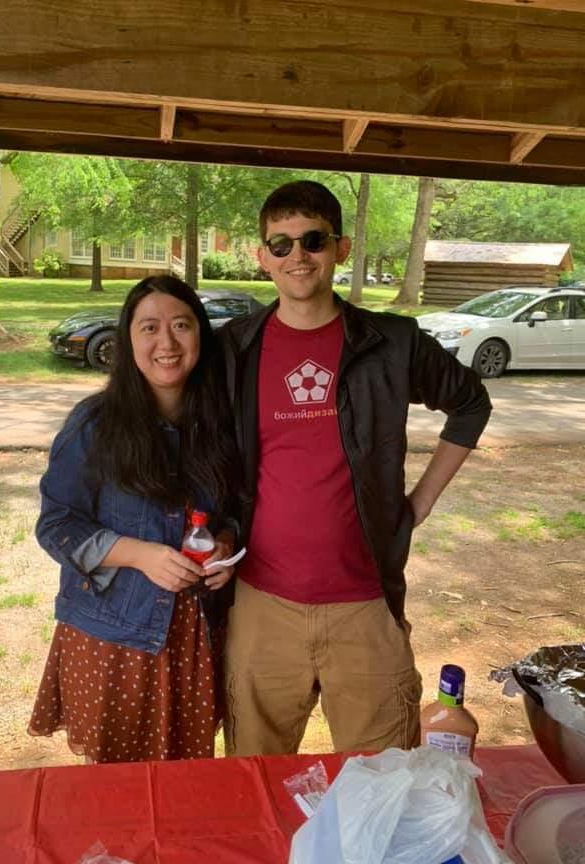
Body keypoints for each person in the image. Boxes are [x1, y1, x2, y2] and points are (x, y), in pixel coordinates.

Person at [219, 180, 491, 757]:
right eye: (282, 244)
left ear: (341, 248)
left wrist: (421, 502)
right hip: (261, 607)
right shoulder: (234, 349)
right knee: (252, 778)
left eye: (314, 240)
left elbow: (471, 403)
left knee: (385, 782)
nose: (298, 256)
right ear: (263, 256)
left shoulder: (391, 343)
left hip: (366, 604)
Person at [28, 275, 240, 763]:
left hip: (196, 635)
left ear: (200, 335)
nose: (167, 343)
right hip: (114, 634)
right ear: (128, 339)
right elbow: (56, 524)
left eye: (181, 325)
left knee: (185, 779)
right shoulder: (94, 423)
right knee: (114, 788)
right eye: (149, 328)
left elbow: (234, 510)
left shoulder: (219, 424)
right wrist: (139, 555)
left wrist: (226, 544)